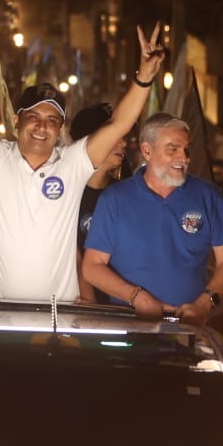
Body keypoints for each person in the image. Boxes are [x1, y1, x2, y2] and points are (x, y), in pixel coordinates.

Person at [0, 8, 166, 302]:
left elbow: (119, 123)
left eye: (52, 120)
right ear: (17, 121)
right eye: (34, 116)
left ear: (60, 129)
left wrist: (144, 77)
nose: (43, 126)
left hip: (59, 320)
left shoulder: (72, 163)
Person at [81, 113, 223, 322]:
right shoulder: (115, 199)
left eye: (186, 149)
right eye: (173, 149)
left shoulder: (208, 195)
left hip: (191, 325)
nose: (184, 158)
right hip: (128, 322)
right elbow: (92, 267)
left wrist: (205, 302)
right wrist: (137, 298)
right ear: (147, 150)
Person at [69, 103, 129, 303]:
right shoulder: (64, 194)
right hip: (74, 306)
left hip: (122, 305)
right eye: (114, 135)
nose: (123, 143)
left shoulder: (125, 195)